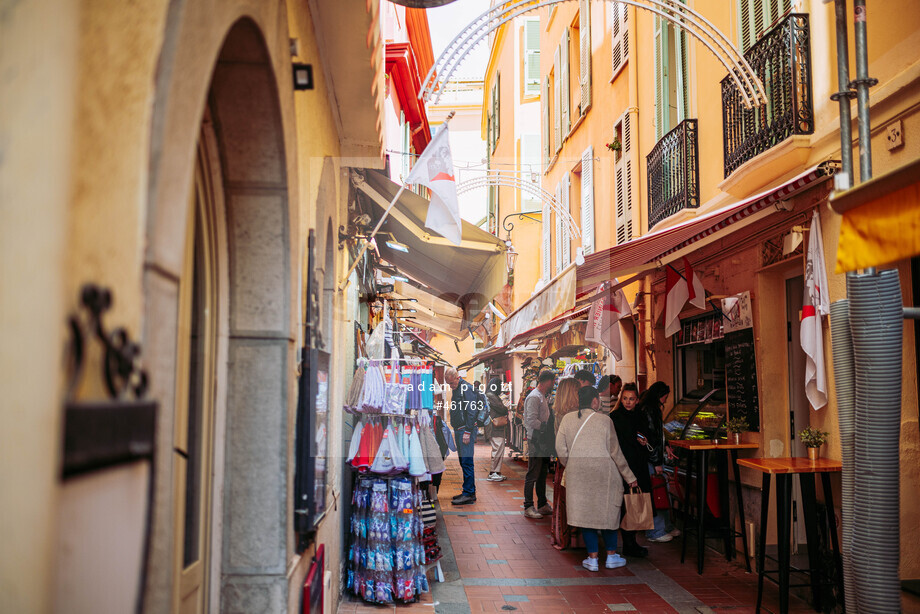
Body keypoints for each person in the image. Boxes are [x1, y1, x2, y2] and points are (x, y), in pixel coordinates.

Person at [555, 386, 638, 571]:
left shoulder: (567, 419)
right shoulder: (604, 421)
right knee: (607, 512)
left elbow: (560, 449)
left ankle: (592, 559)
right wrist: (630, 477)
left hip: (578, 474)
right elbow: (616, 453)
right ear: (594, 401)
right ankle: (610, 556)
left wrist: (573, 464)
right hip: (605, 474)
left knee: (586, 514)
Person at [609, 383, 650, 557]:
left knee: (636, 502)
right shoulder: (615, 417)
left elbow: (648, 435)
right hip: (623, 466)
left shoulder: (640, 416)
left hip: (639, 464)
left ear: (637, 400)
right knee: (626, 503)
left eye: (631, 399)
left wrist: (644, 439)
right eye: (624, 398)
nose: (628, 402)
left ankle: (631, 541)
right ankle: (628, 542)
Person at [637, 381, 679, 541]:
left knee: (661, 490)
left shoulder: (650, 409)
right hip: (651, 459)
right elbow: (651, 438)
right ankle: (656, 531)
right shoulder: (650, 410)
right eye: (665, 397)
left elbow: (658, 435)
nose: (666, 401)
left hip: (653, 457)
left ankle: (665, 527)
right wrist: (656, 463)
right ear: (658, 396)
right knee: (658, 491)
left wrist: (666, 446)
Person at [549, 377, 582, 549]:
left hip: (563, 464)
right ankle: (572, 535)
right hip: (572, 463)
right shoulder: (572, 416)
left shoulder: (559, 414)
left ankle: (563, 535)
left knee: (563, 502)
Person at [522, 369, 556, 519]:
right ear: (547, 381)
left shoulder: (542, 396)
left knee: (542, 473)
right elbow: (530, 420)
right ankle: (528, 505)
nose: (553, 384)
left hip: (543, 440)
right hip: (536, 440)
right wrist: (545, 427)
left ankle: (542, 504)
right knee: (533, 473)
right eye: (553, 381)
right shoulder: (534, 397)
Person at [445, 367, 482, 505]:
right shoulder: (458, 389)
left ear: (457, 378)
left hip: (465, 430)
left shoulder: (466, 389)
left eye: (452, 383)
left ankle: (468, 494)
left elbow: (472, 411)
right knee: (463, 461)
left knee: (467, 461)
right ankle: (468, 491)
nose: (451, 386)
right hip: (460, 429)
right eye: (448, 384)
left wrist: (467, 431)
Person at [485, 377, 509, 482]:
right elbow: (502, 409)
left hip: (496, 427)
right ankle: (493, 472)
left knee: (499, 449)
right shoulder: (491, 396)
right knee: (497, 449)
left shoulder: (491, 395)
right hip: (495, 427)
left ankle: (496, 471)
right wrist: (505, 407)